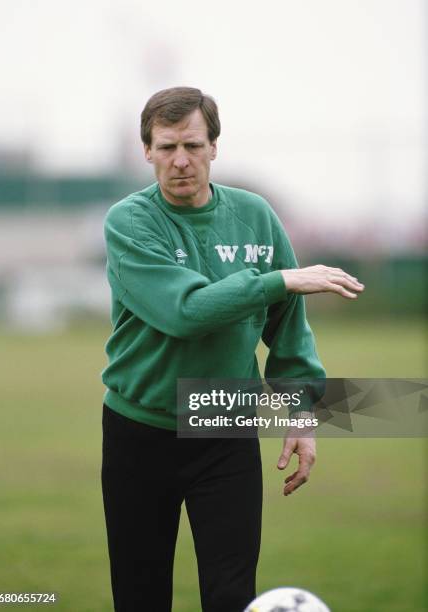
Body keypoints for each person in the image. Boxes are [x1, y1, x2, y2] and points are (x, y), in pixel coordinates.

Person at [101, 86, 364, 612]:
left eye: (194, 146)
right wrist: (279, 280)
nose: (181, 160)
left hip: (224, 424)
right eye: (168, 146)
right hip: (141, 430)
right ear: (147, 151)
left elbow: (288, 329)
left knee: (231, 594)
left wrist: (301, 413)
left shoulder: (255, 216)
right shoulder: (129, 222)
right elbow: (185, 312)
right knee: (140, 595)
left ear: (214, 148)